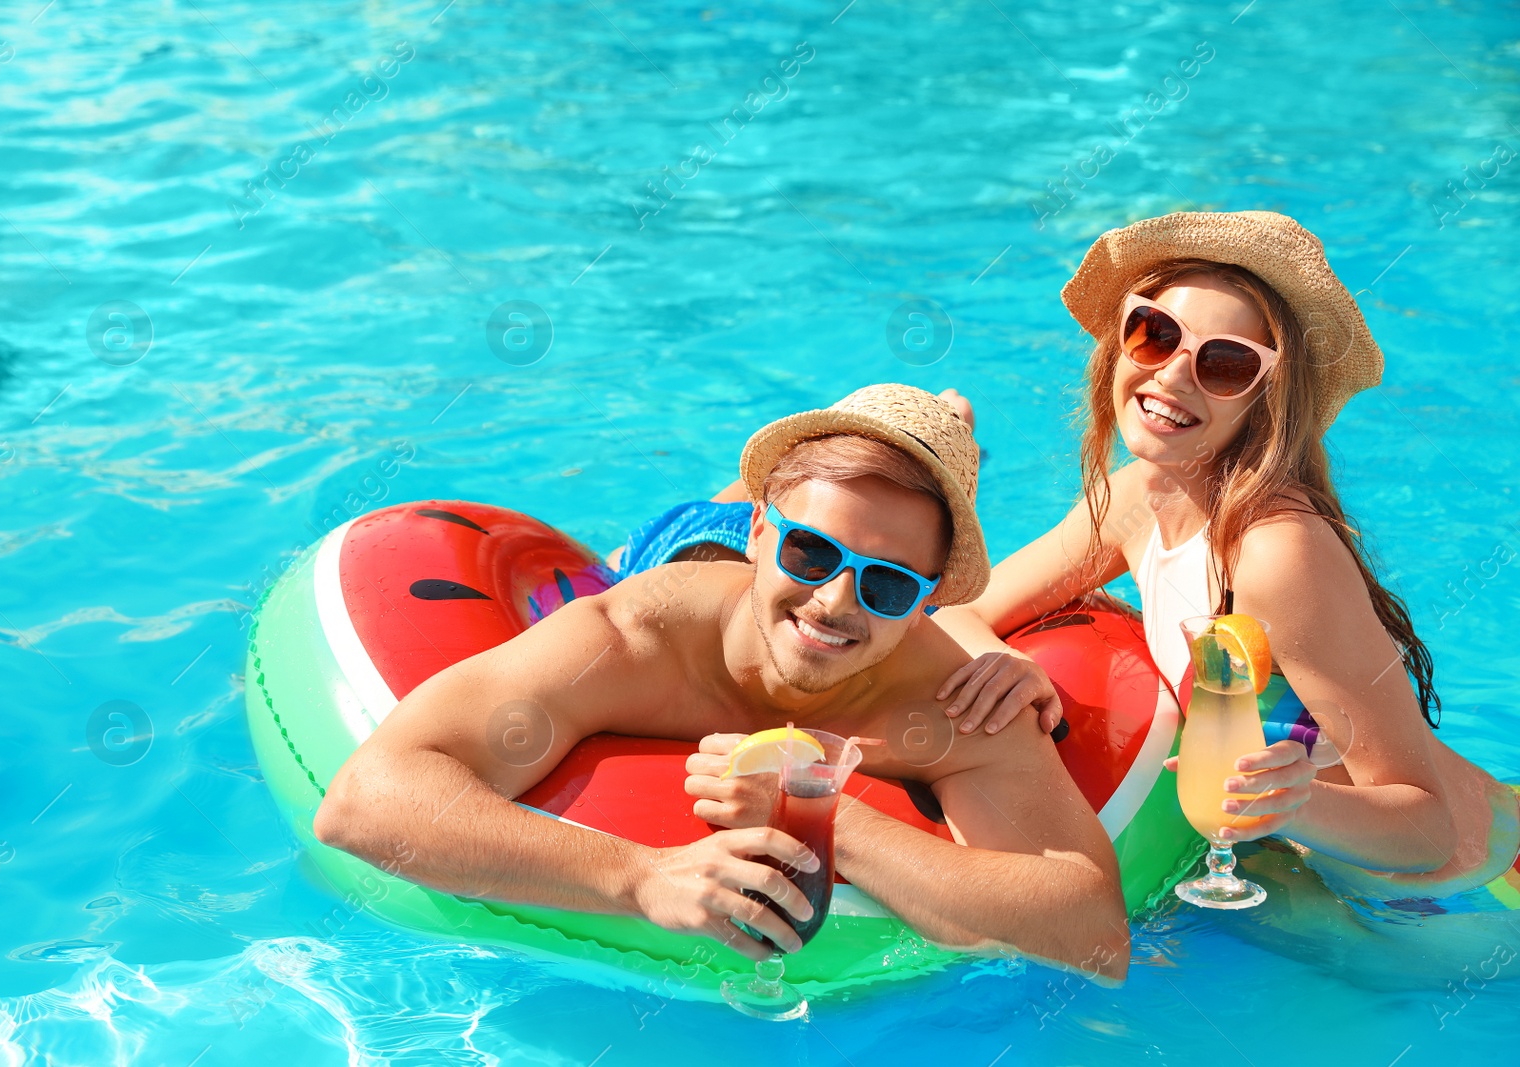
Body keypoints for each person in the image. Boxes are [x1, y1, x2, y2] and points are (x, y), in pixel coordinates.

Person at [313, 385, 1129, 977]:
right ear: (765, 530)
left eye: (886, 584)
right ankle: (893, 431)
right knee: (701, 533)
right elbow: (364, 801)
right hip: (685, 559)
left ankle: (928, 433)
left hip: (760, 580)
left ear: (927, 603)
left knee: (832, 566)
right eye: (813, 552)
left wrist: (832, 813)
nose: (837, 601)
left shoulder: (949, 704)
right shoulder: (626, 639)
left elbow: (1092, 926)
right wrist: (640, 877)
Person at [933, 210, 1519, 908]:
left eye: (1226, 362)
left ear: (1265, 400)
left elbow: (1425, 825)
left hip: (1466, 890)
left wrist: (1290, 807)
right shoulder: (1134, 500)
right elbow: (964, 607)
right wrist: (1013, 666)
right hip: (1332, 876)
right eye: (1155, 333)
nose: (1175, 376)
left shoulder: (1275, 552)